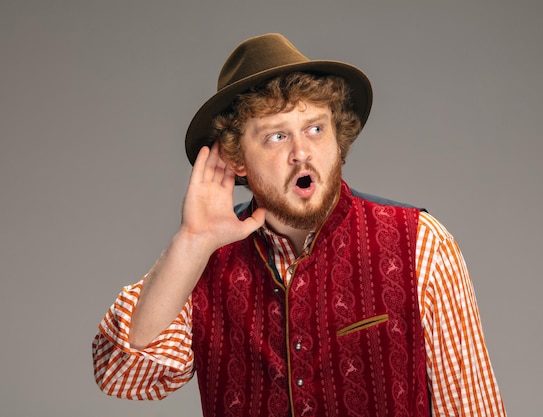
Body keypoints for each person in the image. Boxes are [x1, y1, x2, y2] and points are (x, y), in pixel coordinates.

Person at [92, 33, 506, 416]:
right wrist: (192, 241)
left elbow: (473, 407)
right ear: (236, 160)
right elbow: (122, 374)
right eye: (276, 136)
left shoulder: (421, 244)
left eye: (315, 129)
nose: (301, 153)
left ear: (337, 138)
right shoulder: (202, 264)